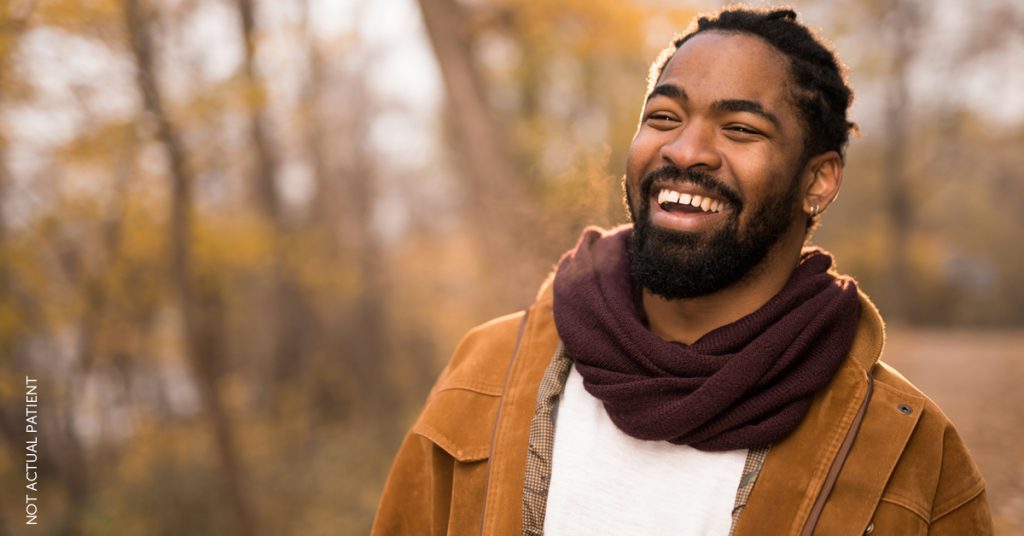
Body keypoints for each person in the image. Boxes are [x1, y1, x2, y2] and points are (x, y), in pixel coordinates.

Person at [372, 7, 993, 535]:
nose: (685, 150)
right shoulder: (483, 372)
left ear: (818, 181)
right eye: (664, 117)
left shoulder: (908, 450)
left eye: (741, 128)